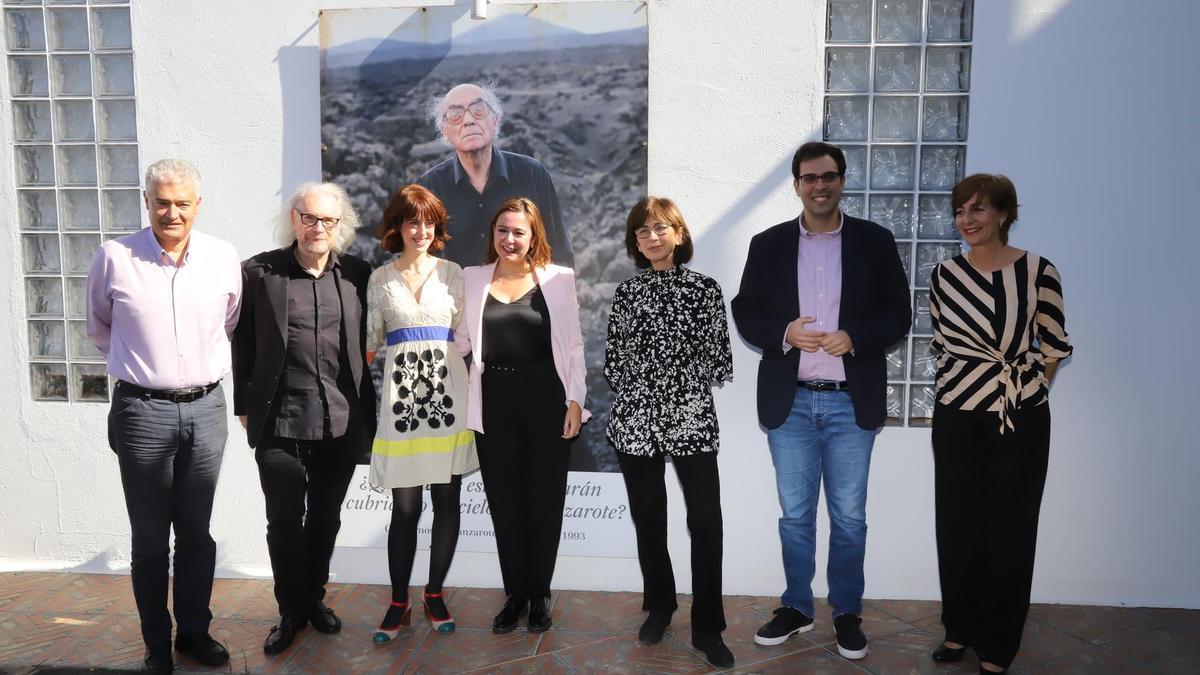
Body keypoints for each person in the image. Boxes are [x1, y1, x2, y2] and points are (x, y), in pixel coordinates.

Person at [730, 141, 911, 660]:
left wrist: (855, 335)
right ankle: (797, 606)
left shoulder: (875, 242)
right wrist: (784, 332)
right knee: (795, 517)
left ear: (842, 181)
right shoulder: (768, 244)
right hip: (790, 402)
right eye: (809, 178)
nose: (819, 185)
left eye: (828, 176)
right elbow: (745, 311)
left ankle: (847, 612)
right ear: (797, 185)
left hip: (850, 401)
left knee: (850, 517)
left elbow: (899, 313)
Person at [86, 158, 240, 673]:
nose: (171, 212)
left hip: (206, 409)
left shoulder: (223, 257)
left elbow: (231, 322)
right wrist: (144, 370)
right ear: (147, 202)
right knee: (150, 537)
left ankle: (195, 632)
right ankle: (157, 642)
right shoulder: (114, 257)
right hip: (142, 412)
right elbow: (100, 328)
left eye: (182, 203)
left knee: (196, 532)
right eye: (162, 202)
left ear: (199, 204)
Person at [928, 174, 1072, 674]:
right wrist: (966, 391)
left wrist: (1028, 392)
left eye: (979, 210)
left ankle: (999, 642)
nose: (967, 220)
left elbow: (1052, 347)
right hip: (956, 414)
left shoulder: (1038, 270)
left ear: (1005, 214)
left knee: (1010, 529)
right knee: (957, 524)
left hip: (1020, 415)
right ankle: (959, 630)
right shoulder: (944, 273)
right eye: (961, 211)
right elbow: (943, 344)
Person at [231, 182, 376, 656]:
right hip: (279, 421)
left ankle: (313, 598)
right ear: (294, 219)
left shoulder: (358, 274)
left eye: (327, 221)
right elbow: (243, 345)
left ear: (341, 226)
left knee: (326, 519)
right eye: (309, 218)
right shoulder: (259, 272)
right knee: (283, 522)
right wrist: (245, 406)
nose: (318, 228)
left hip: (340, 420)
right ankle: (289, 610)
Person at [604, 197, 734, 668]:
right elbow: (614, 362)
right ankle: (660, 605)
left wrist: (675, 371)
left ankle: (709, 625)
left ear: (678, 233)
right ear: (635, 243)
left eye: (661, 228)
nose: (652, 237)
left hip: (691, 416)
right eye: (643, 232)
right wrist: (645, 384)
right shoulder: (627, 293)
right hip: (635, 420)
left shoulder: (705, 290)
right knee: (649, 518)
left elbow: (719, 361)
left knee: (705, 520)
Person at [453, 197, 587, 634]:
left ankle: (541, 594)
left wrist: (575, 401)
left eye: (519, 232)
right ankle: (516, 594)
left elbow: (574, 346)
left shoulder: (558, 279)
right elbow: (460, 342)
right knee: (505, 502)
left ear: (533, 238)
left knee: (544, 501)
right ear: (493, 235)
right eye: (502, 231)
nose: (509, 239)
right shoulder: (472, 278)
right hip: (494, 402)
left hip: (547, 398)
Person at [365, 185, 478, 643]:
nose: (422, 230)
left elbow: (469, 339)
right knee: (406, 507)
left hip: (449, 400)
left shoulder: (454, 273)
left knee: (447, 500)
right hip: (401, 407)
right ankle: (398, 601)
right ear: (398, 226)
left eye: (430, 222)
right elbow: (370, 344)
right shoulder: (379, 279)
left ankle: (433, 594)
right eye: (413, 221)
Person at [418, 82, 573, 268]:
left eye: (478, 110)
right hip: (458, 296)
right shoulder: (430, 187)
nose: (468, 120)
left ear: (496, 120)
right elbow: (423, 263)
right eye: (455, 115)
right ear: (445, 131)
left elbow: (559, 252)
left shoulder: (532, 174)